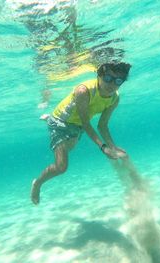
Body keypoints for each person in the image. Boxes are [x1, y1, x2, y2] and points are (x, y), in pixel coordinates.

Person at [31, 62, 132, 205]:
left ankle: (48, 119)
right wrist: (104, 147)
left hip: (77, 126)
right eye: (108, 78)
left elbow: (102, 125)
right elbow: (87, 123)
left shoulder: (115, 98)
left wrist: (113, 147)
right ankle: (37, 183)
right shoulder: (84, 91)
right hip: (61, 122)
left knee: (69, 147)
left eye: (118, 81)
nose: (112, 84)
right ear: (99, 75)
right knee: (61, 167)